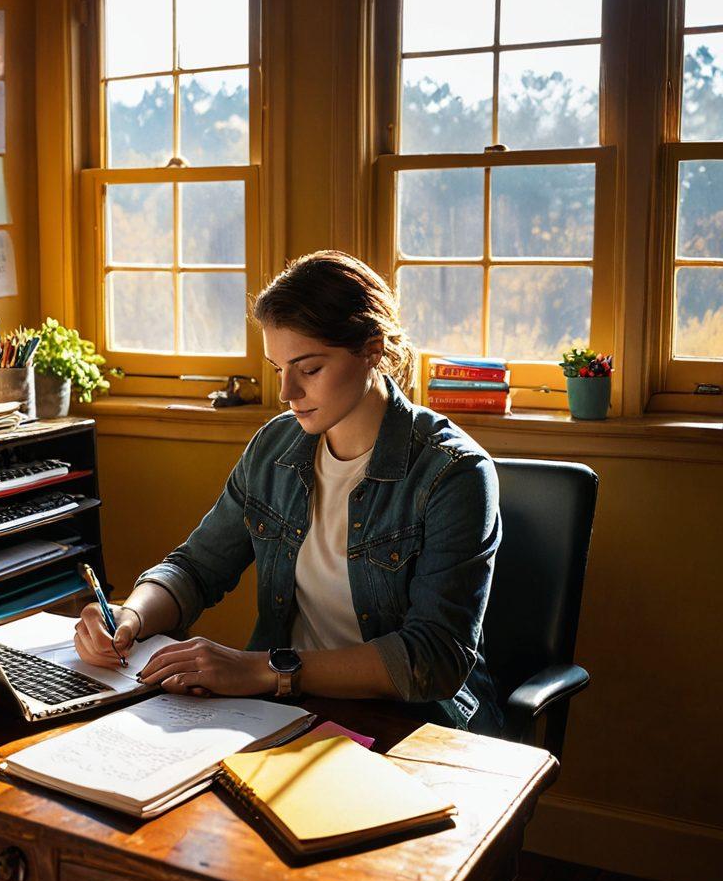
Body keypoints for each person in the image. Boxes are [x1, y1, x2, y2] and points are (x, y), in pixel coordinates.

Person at [75, 250, 502, 734]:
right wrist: (130, 615)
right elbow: (195, 568)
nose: (287, 393)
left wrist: (263, 669)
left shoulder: (455, 473)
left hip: (412, 725)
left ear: (372, 349)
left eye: (309, 368)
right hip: (279, 714)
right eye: (279, 368)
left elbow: (433, 658)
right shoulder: (275, 447)